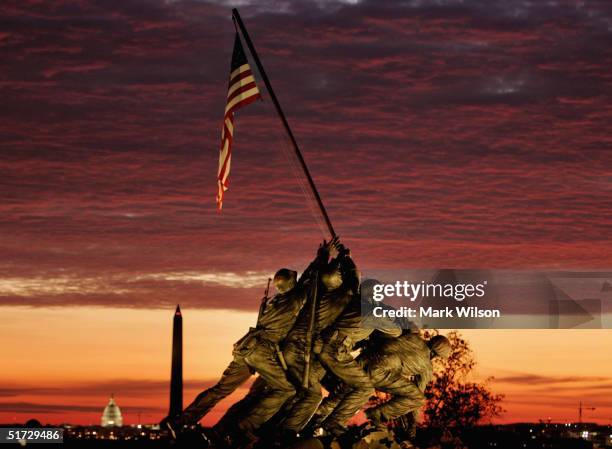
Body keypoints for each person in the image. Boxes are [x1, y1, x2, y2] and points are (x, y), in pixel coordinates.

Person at [160, 241, 331, 440]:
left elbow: (303, 282)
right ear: (291, 284)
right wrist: (322, 257)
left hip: (246, 347)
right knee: (286, 389)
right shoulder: (294, 300)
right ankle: (245, 426)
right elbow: (310, 280)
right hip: (262, 350)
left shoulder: (275, 301)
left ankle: (180, 421)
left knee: (220, 389)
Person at [313, 276, 402, 437]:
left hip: (325, 346)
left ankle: (316, 417)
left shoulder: (353, 302)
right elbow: (396, 331)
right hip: (336, 351)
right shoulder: (372, 312)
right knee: (365, 388)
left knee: (339, 389)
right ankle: (332, 423)